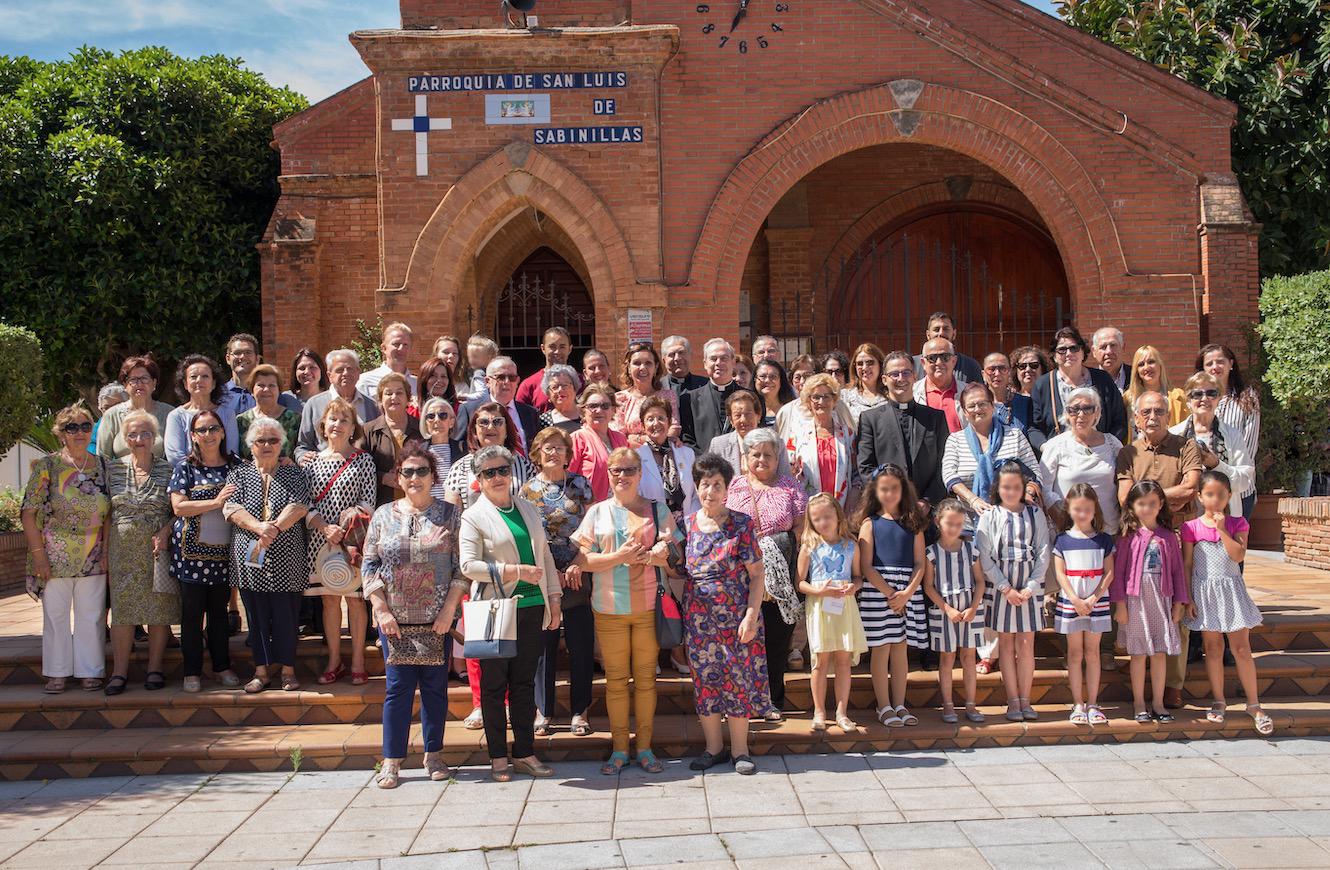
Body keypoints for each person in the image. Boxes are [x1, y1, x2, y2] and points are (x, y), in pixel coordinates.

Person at [573, 447, 681, 774]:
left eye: (630, 469)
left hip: (649, 606)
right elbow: (582, 561)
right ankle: (620, 750)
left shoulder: (657, 509)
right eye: (617, 470)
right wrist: (620, 557)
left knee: (646, 680)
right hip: (609, 607)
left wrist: (659, 552)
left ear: (639, 473)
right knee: (616, 681)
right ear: (609, 473)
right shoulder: (596, 512)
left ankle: (645, 749)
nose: (623, 475)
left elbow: (675, 557)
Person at [363, 442, 464, 789]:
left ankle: (433, 754)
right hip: (395, 619)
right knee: (398, 689)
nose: (415, 477)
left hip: (437, 619)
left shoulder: (451, 515)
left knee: (436, 689)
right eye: (408, 471)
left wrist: (450, 610)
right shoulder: (382, 515)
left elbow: (460, 568)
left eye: (422, 471)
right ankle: (392, 760)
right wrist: (380, 609)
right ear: (398, 477)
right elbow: (369, 564)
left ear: (433, 476)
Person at [459, 444, 563, 781]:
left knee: (522, 684)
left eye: (503, 470)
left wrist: (554, 597)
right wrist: (514, 570)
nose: (498, 477)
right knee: (493, 686)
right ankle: (497, 756)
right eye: (490, 472)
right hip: (497, 611)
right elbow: (468, 565)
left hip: (532, 607)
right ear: (479, 479)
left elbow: (544, 556)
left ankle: (524, 752)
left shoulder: (528, 509)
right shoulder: (473, 516)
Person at [1115, 390, 1202, 709]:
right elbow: (1125, 499)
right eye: (1146, 412)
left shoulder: (1186, 447)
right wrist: (1167, 496)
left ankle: (1173, 686)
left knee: (1177, 609)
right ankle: (1142, 686)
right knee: (1139, 610)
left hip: (1178, 535)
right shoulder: (1128, 453)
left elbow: (1191, 488)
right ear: (1136, 418)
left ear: (1169, 415)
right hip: (1138, 540)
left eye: (1159, 411)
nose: (1153, 417)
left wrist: (1147, 498)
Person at [683, 453, 768, 775]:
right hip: (698, 619)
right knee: (705, 681)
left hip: (736, 618)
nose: (710, 492)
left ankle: (741, 751)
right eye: (705, 485)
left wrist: (751, 615)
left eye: (717, 485)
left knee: (737, 681)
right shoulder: (686, 524)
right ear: (697, 487)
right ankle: (713, 749)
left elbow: (757, 574)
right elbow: (678, 569)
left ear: (727, 488)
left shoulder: (741, 524)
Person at [22, 403, 112, 693]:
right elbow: (28, 512)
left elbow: (110, 512)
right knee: (56, 615)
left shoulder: (102, 465)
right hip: (54, 553)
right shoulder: (47, 465)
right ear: (61, 433)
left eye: (86, 426)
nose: (80, 432)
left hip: (94, 553)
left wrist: (108, 550)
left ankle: (90, 671)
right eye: (72, 427)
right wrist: (39, 556)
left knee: (92, 616)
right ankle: (57, 672)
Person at [224, 418, 311, 693]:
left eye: (273, 440)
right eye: (260, 440)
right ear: (250, 445)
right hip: (250, 554)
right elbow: (231, 508)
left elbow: (299, 506)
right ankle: (260, 671)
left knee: (286, 614)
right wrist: (259, 527)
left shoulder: (294, 474)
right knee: (256, 614)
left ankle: (288, 670)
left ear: (281, 444)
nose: (267, 445)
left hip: (288, 554)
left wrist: (271, 528)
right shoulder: (238, 474)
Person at [519, 428, 596, 738]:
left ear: (568, 454)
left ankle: (581, 710)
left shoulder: (581, 485)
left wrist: (576, 564)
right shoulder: (526, 491)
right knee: (543, 646)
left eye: (559, 448)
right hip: (542, 577)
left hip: (577, 573)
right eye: (547, 448)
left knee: (580, 643)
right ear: (537, 453)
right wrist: (549, 572)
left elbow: (591, 528)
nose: (553, 453)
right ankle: (544, 710)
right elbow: (525, 535)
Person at [1184, 470, 1272, 734]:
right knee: (1212, 648)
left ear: (1229, 496)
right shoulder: (1190, 527)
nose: (1215, 499)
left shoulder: (1238, 523)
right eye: (1209, 494)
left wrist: (1222, 530)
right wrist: (1187, 596)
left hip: (1231, 590)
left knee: (1241, 648)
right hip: (1204, 591)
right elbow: (1188, 563)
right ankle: (1219, 700)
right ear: (1200, 496)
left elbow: (1237, 555)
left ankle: (1254, 703)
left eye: (1221, 495)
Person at [727, 428, 806, 720]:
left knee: (775, 640)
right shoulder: (733, 486)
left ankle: (773, 700)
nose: (761, 459)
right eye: (755, 454)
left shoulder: (790, 487)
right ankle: (742, 700)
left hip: (780, 577)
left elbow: (800, 528)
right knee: (743, 639)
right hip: (741, 577)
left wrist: (775, 544)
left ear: (777, 458)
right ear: (746, 457)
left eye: (768, 455)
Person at [304, 399, 377, 686]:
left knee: (356, 601)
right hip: (319, 541)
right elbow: (304, 503)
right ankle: (335, 661)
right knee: (329, 601)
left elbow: (368, 502)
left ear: (352, 427)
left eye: (343, 420)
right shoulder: (311, 463)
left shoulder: (364, 460)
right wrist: (324, 528)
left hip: (353, 543)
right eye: (332, 419)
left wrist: (346, 526)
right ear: (323, 426)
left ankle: (358, 661)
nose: (337, 425)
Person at [104, 410, 177, 695]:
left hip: (157, 548)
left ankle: (155, 669)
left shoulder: (168, 469)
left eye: (145, 433)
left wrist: (166, 532)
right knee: (122, 612)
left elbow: (178, 511)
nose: (139, 439)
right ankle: (119, 673)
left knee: (158, 609)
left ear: (155, 437)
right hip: (122, 549)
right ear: (124, 438)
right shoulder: (112, 469)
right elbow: (105, 512)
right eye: (133, 434)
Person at [168, 409, 240, 692]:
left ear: (222, 432)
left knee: (220, 614)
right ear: (193, 436)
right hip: (190, 557)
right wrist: (216, 502)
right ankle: (191, 671)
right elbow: (178, 506)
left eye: (213, 429)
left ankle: (222, 666)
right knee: (192, 614)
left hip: (225, 555)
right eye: (202, 430)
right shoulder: (185, 468)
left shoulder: (236, 466)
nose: (208, 435)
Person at [976, 460, 1051, 722]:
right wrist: (1005, 587)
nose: (1010, 492)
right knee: (1006, 645)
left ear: (1023, 488)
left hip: (1029, 584)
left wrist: (1031, 587)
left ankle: (1027, 699)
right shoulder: (990, 515)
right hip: (1002, 587)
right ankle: (1012, 701)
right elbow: (984, 556)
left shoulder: (1034, 514)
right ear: (998, 488)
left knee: (1027, 644)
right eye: (1006, 487)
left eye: (1016, 487)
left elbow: (1043, 550)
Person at [856, 464, 928, 727]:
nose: (889, 494)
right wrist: (890, 593)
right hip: (879, 594)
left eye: (894, 489)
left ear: (903, 490)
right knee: (881, 649)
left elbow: (920, 563)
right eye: (884, 489)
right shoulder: (869, 524)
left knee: (900, 650)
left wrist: (906, 593)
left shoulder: (913, 523)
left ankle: (900, 703)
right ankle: (883, 706)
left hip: (907, 592)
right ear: (875, 491)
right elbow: (866, 566)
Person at [1111, 480, 1186, 723]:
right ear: (1132, 506)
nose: (1147, 508)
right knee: (1139, 654)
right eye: (1141, 503)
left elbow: (1177, 573)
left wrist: (1179, 603)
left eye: (1152, 503)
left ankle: (1158, 703)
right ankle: (1139, 703)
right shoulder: (1126, 538)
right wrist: (1120, 604)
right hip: (1136, 604)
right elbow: (1118, 574)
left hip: (1161, 602)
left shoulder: (1168, 537)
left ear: (1161, 504)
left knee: (1159, 653)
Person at [798, 493, 867, 733]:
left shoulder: (851, 546)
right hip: (819, 608)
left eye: (827, 517)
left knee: (843, 660)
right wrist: (819, 591)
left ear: (838, 516)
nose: (823, 522)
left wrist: (853, 587)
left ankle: (841, 711)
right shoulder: (809, 547)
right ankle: (819, 711)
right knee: (819, 660)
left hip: (844, 607)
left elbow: (858, 577)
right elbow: (800, 582)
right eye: (816, 519)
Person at [1051, 484, 1116, 726]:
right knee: (1075, 653)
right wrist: (1075, 599)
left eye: (1087, 509)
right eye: (1077, 509)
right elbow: (1060, 574)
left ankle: (1093, 703)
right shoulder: (1063, 540)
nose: (1082, 514)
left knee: (1093, 652)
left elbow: (1110, 572)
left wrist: (1093, 598)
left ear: (1094, 509)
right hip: (1071, 602)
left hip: (1096, 603)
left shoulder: (1104, 539)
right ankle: (1078, 702)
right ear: (1068, 508)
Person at [857, 351, 951, 506]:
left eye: (906, 373)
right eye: (894, 374)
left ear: (915, 376)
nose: (901, 379)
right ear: (884, 380)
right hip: (886, 510)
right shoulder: (870, 419)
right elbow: (866, 467)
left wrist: (927, 501)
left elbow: (944, 464)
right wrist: (889, 500)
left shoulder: (936, 418)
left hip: (927, 511)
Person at [942, 383, 1040, 530]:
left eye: (982, 403)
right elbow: (949, 476)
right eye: (971, 406)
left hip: (1013, 522)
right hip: (969, 524)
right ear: (964, 411)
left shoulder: (1014, 435)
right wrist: (973, 500)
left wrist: (1027, 494)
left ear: (992, 405)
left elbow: (1035, 473)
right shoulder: (955, 440)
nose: (977, 409)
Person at [923, 499, 987, 724]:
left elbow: (980, 581)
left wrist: (974, 606)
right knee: (947, 658)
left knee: (969, 657)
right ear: (938, 522)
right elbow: (928, 586)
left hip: (970, 609)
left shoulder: (971, 550)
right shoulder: (930, 553)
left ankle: (971, 704)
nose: (953, 528)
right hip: (944, 611)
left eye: (958, 524)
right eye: (949, 523)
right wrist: (947, 608)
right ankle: (948, 704)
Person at [1038, 387, 1124, 535]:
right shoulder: (1055, 445)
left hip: (1109, 532)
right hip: (1069, 532)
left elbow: (1123, 481)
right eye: (1074, 409)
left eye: (1087, 408)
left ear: (1097, 412)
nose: (1080, 414)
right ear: (1066, 413)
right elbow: (1043, 486)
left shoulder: (1112, 444)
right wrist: (1060, 519)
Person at [1170, 372, 1256, 519]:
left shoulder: (1232, 435)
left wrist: (1216, 464)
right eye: (1197, 394)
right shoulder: (1174, 435)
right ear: (1188, 400)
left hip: (1224, 520)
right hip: (1185, 521)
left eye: (1211, 393)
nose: (1204, 399)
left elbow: (1244, 482)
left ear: (1219, 398)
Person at [1029, 326, 1128, 451]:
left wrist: (1107, 445)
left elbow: (1119, 420)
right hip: (1060, 457)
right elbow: (1034, 427)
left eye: (1074, 348)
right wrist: (1046, 448)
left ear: (1083, 352)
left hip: (1101, 455)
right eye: (1062, 350)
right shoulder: (1042, 385)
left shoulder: (1103, 380)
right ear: (1054, 355)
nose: (1068, 353)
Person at [1197, 343, 1261, 520]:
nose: (1215, 367)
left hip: (1238, 488)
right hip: (1204, 489)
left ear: (1231, 364)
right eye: (1209, 363)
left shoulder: (1247, 397)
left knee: (1233, 543)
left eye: (1220, 361)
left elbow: (1249, 445)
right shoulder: (1198, 399)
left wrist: (1229, 475)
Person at [443, 401, 538, 512]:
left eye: (497, 422)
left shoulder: (525, 466)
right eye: (483, 422)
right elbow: (451, 518)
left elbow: (534, 510)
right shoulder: (459, 468)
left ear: (507, 429)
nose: (490, 427)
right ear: (475, 431)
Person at [295, 349, 382, 464]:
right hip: (324, 472)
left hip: (362, 473)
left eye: (350, 369)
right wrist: (302, 457)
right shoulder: (314, 405)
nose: (345, 373)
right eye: (340, 370)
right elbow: (302, 446)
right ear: (329, 375)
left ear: (358, 373)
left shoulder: (372, 406)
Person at [787, 373, 857, 508]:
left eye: (826, 396)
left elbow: (856, 474)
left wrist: (852, 503)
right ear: (808, 402)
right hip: (809, 510)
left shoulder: (847, 434)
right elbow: (789, 474)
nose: (821, 402)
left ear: (834, 400)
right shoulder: (797, 435)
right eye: (816, 397)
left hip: (842, 509)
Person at [637, 397, 701, 541]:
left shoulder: (686, 453)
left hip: (689, 530)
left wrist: (693, 524)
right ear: (642, 425)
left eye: (661, 418)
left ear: (669, 422)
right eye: (650, 419)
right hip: (654, 533)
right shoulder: (637, 458)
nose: (656, 423)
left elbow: (696, 494)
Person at [456, 357, 542, 455]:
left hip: (524, 469)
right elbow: (460, 447)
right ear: (487, 381)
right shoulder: (469, 411)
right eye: (500, 377)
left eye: (512, 378)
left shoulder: (530, 413)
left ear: (517, 381)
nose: (507, 382)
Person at [164, 355, 240, 466]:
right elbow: (175, 457)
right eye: (193, 377)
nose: (199, 380)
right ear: (185, 384)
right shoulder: (176, 416)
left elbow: (232, 452)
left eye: (205, 376)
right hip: (188, 478)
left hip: (225, 478)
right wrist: (200, 476)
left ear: (213, 383)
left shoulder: (228, 414)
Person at [97, 356, 174, 460]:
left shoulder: (169, 414)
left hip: (162, 475)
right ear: (125, 384)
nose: (139, 384)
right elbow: (102, 458)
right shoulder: (112, 415)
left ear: (154, 383)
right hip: (119, 475)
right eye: (133, 379)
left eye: (144, 378)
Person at [363, 373, 422, 506]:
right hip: (380, 505)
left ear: (408, 399)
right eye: (388, 393)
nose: (394, 397)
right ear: (380, 400)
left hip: (417, 504)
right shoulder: (367, 431)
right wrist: (383, 478)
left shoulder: (421, 429)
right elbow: (358, 470)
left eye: (399, 393)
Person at [613, 342, 681, 449]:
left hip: (662, 456)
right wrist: (656, 439)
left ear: (656, 367)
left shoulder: (667, 396)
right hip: (632, 457)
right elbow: (619, 435)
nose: (642, 368)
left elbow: (674, 428)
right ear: (628, 368)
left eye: (648, 363)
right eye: (637, 363)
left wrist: (637, 438)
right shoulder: (620, 399)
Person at [568, 384, 631, 501]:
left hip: (620, 507)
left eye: (605, 406)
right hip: (588, 511)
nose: (599, 410)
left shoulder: (621, 439)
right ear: (583, 410)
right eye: (593, 406)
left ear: (613, 410)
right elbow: (566, 479)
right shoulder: (577, 439)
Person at [708, 389, 789, 478]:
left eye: (748, 414)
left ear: (758, 416)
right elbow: (712, 479)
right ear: (731, 420)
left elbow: (785, 478)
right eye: (738, 415)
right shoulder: (718, 445)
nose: (743, 420)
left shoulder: (776, 443)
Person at [681, 338, 742, 451]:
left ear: (733, 362)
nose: (718, 363)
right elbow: (687, 440)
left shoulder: (750, 397)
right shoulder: (689, 400)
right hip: (704, 466)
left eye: (724, 358)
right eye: (713, 359)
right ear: (705, 364)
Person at [236, 364, 301, 460]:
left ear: (279, 390)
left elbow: (300, 451)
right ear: (252, 390)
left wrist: (293, 461)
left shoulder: (294, 419)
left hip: (286, 473)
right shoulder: (241, 421)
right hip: (249, 474)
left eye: (271, 385)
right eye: (260, 385)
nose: (266, 389)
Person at [1123, 345, 1188, 433]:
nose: (1146, 367)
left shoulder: (1178, 396)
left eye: (1151, 362)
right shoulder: (1128, 398)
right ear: (1136, 370)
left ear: (1160, 365)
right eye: (1141, 364)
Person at [913, 311, 984, 383]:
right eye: (936, 329)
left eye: (946, 329)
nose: (941, 333)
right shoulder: (913, 365)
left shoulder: (970, 366)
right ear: (928, 335)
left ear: (954, 334)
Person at [914, 338, 966, 433]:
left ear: (954, 361)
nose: (939, 362)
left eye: (945, 357)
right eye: (932, 358)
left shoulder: (968, 392)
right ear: (923, 363)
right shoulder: (912, 394)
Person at [358, 322, 419, 401]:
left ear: (411, 349)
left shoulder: (417, 384)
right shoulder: (365, 381)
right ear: (384, 348)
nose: (401, 349)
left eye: (405, 345)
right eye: (396, 344)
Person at [516, 326, 571, 412]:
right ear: (543, 349)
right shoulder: (528, 385)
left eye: (562, 347)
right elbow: (521, 419)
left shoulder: (580, 382)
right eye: (552, 346)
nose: (557, 351)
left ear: (570, 349)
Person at [420, 396, 464, 493]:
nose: (436, 420)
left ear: (451, 422)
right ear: (426, 422)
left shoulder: (463, 450)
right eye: (431, 416)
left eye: (442, 415)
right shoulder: (418, 452)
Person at [841, 343, 889, 425]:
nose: (864, 368)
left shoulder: (891, 394)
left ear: (880, 364)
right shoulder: (844, 396)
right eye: (860, 364)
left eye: (870, 362)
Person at [982, 352, 1032, 431]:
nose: (997, 373)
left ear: (1009, 373)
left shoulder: (1025, 403)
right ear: (983, 374)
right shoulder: (977, 405)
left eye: (1002, 369)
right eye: (991, 369)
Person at [538, 364, 583, 433]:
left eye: (565, 385)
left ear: (575, 389)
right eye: (555, 387)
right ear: (548, 395)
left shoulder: (587, 414)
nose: (560, 390)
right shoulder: (543, 421)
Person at [755, 360, 797, 428]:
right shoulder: (750, 409)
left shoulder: (792, 409)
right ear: (755, 380)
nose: (767, 380)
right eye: (762, 376)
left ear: (781, 381)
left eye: (773, 376)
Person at [91, 383, 128, 456]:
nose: (112, 412)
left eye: (117, 406)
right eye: (107, 408)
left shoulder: (139, 425)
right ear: (101, 409)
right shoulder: (93, 432)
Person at [1091, 327, 1129, 392]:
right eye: (1103, 347)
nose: (1109, 351)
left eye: (1113, 345)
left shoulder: (1137, 376)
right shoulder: (1087, 380)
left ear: (1123, 348)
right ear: (1094, 351)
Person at [462, 334, 498, 401]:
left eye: (475, 357)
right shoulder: (493, 374)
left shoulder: (479, 373)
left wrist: (465, 397)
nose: (471, 360)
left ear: (488, 357)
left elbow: (482, 395)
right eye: (469, 357)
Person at [432, 334, 468, 399]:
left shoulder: (463, 387)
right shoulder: (427, 382)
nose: (451, 356)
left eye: (455, 353)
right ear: (436, 355)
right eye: (446, 352)